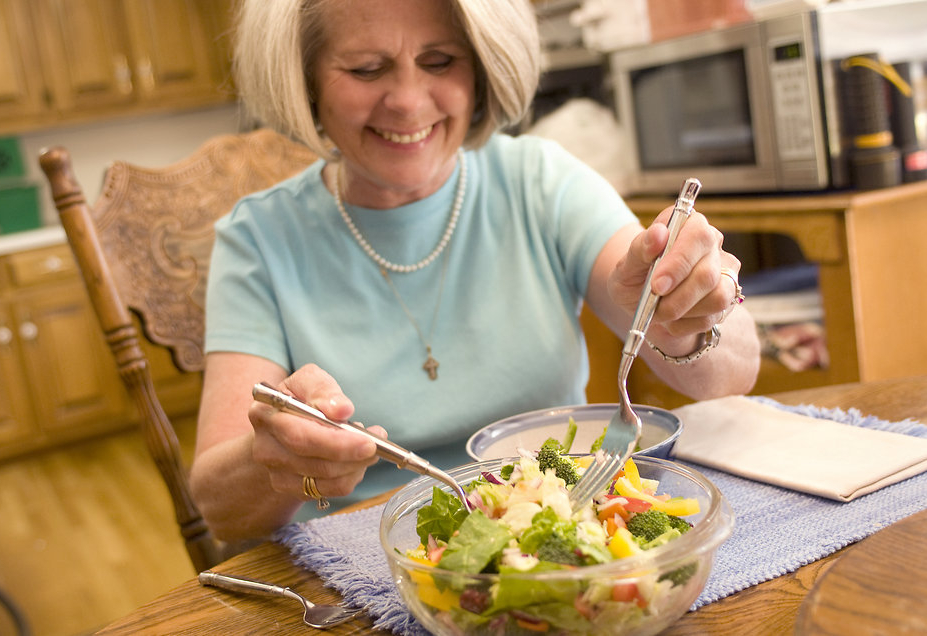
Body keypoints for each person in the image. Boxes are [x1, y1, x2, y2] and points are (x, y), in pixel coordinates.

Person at [189, 0, 760, 541]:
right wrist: (278, 459)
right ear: (305, 80)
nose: (409, 103)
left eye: (439, 61)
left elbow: (732, 374)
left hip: (558, 541)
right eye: (366, 69)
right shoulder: (258, 241)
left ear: (483, 69)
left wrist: (689, 306)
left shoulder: (542, 182)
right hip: (357, 569)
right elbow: (220, 509)